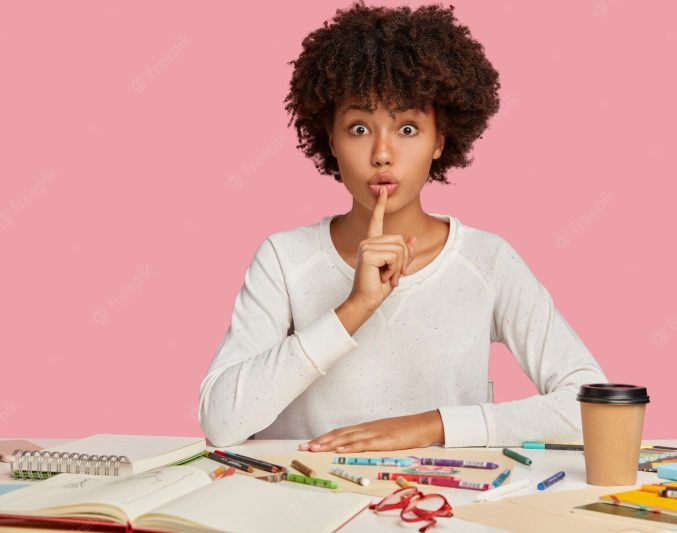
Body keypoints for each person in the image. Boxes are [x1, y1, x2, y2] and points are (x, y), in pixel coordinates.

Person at [199, 1, 606, 451]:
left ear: (440, 140)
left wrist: (433, 426)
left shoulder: (486, 260)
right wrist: (355, 307)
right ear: (329, 139)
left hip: (440, 502)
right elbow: (221, 420)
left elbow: (592, 407)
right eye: (358, 128)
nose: (382, 153)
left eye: (408, 128)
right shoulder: (284, 258)